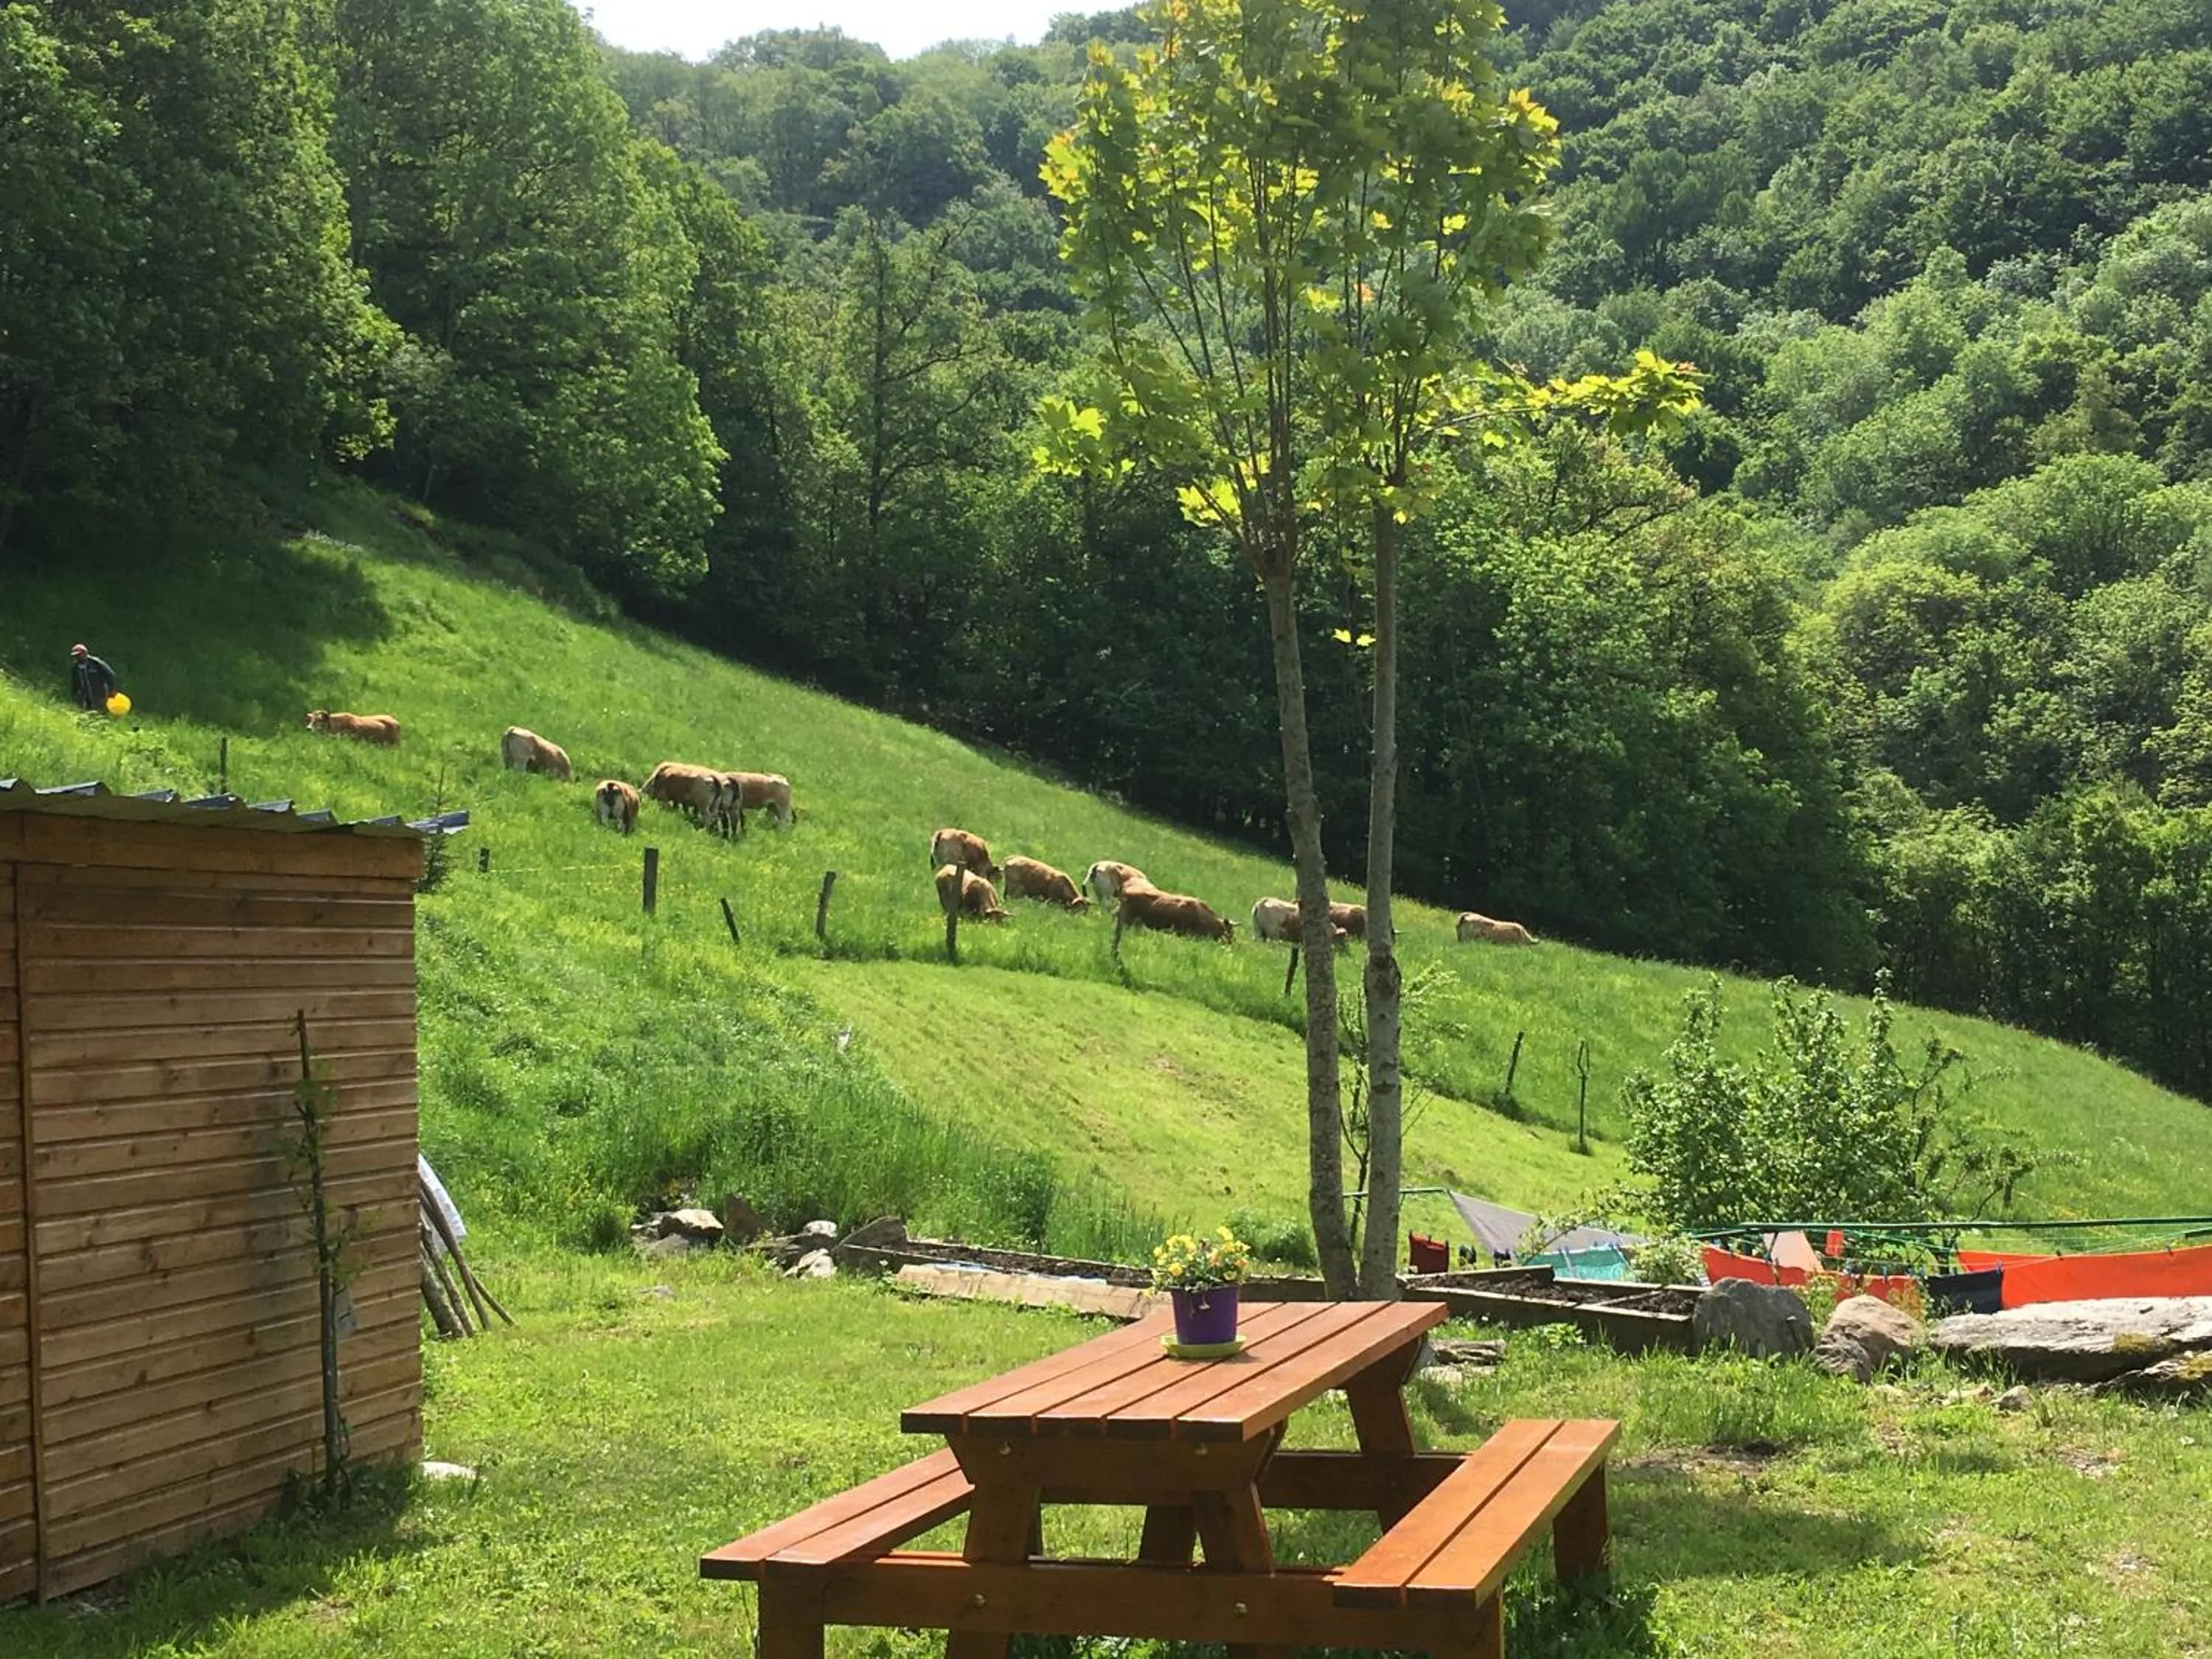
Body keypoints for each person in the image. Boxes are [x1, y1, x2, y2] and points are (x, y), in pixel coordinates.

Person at [69, 643, 118, 712]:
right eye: (75, 656)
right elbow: (75, 682)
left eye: (79, 655)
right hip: (85, 695)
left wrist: (112, 690)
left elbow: (110, 675)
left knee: (101, 711)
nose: (77, 657)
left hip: (100, 694)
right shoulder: (76, 667)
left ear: (85, 653)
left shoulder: (96, 663)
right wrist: (74, 694)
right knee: (88, 711)